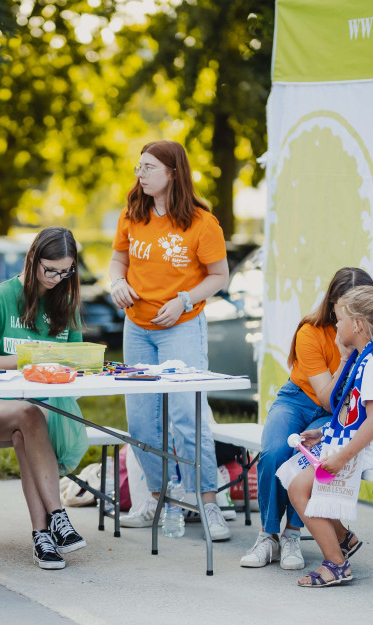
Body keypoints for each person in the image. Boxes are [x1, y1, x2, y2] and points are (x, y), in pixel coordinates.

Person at [109, 140, 231, 540]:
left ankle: (208, 503)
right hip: (137, 329)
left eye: (148, 167)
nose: (139, 174)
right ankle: (161, 500)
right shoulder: (133, 213)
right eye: (138, 167)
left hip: (181, 327)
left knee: (186, 417)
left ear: (173, 172)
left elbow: (219, 276)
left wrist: (183, 301)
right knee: (142, 420)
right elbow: (118, 260)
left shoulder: (201, 222)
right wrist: (117, 282)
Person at [240, 267, 373, 571]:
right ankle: (268, 535)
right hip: (298, 399)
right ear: (333, 304)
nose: (345, 317)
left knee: (309, 461)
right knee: (274, 452)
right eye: (342, 308)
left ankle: (292, 535)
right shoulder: (311, 331)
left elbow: (346, 402)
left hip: (335, 413)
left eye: (354, 310)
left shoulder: (372, 337)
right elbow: (325, 395)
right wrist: (344, 357)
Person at [0, 227, 88, 570]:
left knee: (28, 426)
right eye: (50, 269)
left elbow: (76, 358)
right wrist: (30, 358)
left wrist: (71, 364)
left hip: (43, 408)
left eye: (65, 271)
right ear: (34, 259)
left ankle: (42, 537)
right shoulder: (1, 296)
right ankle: (58, 516)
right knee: (27, 414)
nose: (56, 278)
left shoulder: (65, 299)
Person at [284, 286, 373, 587]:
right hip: (364, 441)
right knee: (294, 477)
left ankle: (336, 564)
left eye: (339, 319)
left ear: (358, 325)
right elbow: (354, 415)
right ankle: (343, 538)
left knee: (299, 488)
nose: (335, 325)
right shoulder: (366, 356)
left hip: (372, 448)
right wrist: (325, 433)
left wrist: (339, 456)